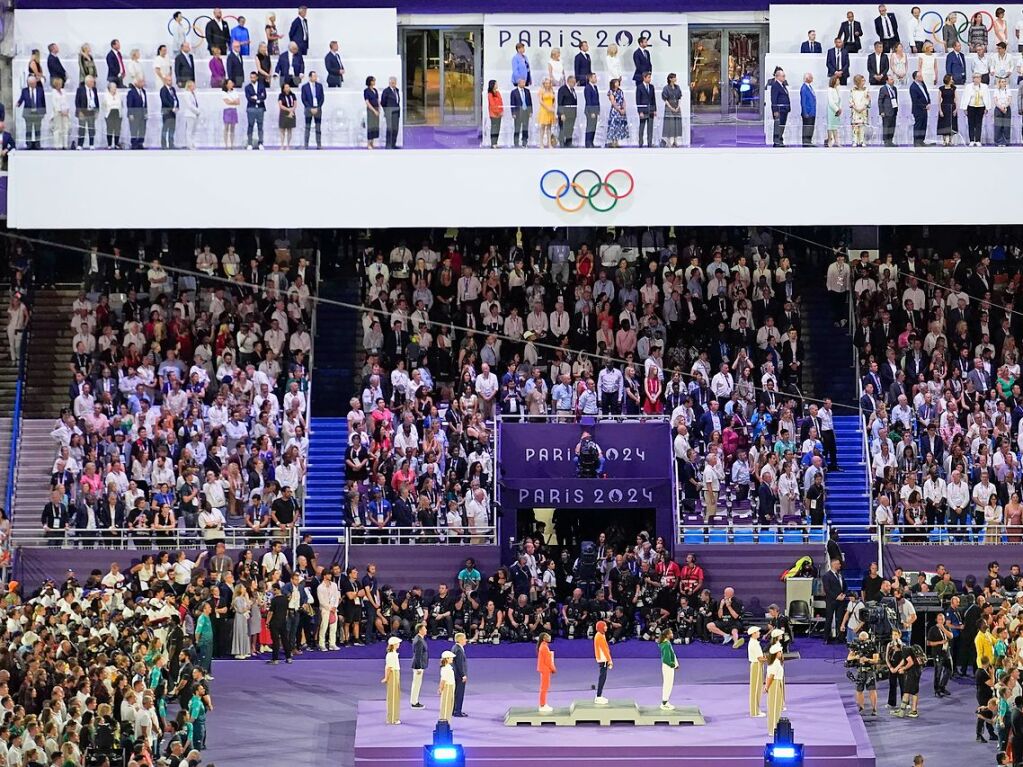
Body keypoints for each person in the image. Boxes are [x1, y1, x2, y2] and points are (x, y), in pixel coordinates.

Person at [847, 631, 879, 716]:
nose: (862, 642)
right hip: (860, 671)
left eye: (864, 640)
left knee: (872, 690)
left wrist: (867, 660)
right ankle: (861, 707)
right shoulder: (856, 646)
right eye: (861, 640)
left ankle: (874, 708)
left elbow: (876, 660)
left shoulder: (873, 646)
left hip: (870, 671)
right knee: (859, 690)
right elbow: (849, 658)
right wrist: (856, 657)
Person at [960, 71, 991, 145]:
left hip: (980, 106)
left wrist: (987, 108)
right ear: (972, 79)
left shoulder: (984, 86)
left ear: (981, 79)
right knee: (971, 123)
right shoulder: (968, 87)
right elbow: (965, 97)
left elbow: (987, 97)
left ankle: (978, 140)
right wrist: (965, 108)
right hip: (971, 106)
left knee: (978, 123)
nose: (977, 79)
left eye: (978, 77)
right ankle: (971, 140)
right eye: (975, 77)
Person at [18, 75, 45, 149]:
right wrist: (18, 103)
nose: (33, 85)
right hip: (28, 113)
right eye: (32, 83)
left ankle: (37, 144)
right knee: (28, 129)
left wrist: (44, 112)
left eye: (34, 83)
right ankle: (28, 144)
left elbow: (43, 101)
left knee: (37, 129)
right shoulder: (25, 90)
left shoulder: (40, 90)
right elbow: (21, 99)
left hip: (38, 113)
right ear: (28, 83)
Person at [822, 559, 846, 643]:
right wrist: (836, 597)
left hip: (841, 601)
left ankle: (840, 638)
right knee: (829, 619)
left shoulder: (840, 576)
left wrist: (844, 594)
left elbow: (844, 586)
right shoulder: (826, 576)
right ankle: (826, 638)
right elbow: (827, 589)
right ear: (834, 565)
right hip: (831, 601)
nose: (840, 565)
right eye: (838, 564)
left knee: (840, 619)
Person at [764, 642, 785, 734]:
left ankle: (775, 727)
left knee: (777, 707)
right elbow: (770, 676)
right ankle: (773, 729)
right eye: (780, 652)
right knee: (774, 708)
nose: (781, 653)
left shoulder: (775, 662)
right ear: (777, 653)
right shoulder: (775, 664)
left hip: (777, 683)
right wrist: (766, 687)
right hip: (775, 684)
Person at [74, 74, 99, 149]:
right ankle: (80, 145)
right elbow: (77, 101)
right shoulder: (80, 89)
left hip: (91, 112)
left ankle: (91, 144)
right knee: (82, 129)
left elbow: (96, 100)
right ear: (87, 82)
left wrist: (97, 110)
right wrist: (79, 111)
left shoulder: (94, 89)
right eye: (92, 82)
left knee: (91, 128)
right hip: (83, 112)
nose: (93, 83)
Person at [300, 70, 324, 149]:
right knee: (307, 127)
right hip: (308, 109)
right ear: (310, 77)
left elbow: (322, 98)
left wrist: (318, 107)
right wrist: (310, 108)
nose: (315, 78)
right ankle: (306, 145)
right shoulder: (304, 87)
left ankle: (319, 145)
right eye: (314, 76)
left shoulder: (319, 86)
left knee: (318, 127)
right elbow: (304, 99)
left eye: (316, 76)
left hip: (318, 109)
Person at [244, 71, 266, 149]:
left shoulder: (261, 86)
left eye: (254, 77)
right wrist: (257, 98)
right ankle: (250, 143)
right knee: (250, 125)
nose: (252, 79)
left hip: (260, 108)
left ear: (257, 77)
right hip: (251, 108)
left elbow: (264, 96)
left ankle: (260, 143)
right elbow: (248, 97)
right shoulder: (247, 87)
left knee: (260, 125)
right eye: (251, 77)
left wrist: (257, 98)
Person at [747, 626, 766, 717]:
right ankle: (754, 711)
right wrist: (770, 659)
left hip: (757, 665)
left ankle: (756, 709)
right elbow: (760, 658)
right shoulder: (754, 644)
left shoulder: (754, 642)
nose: (759, 633)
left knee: (757, 689)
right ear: (753, 633)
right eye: (758, 632)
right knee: (756, 689)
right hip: (757, 665)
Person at [383, 636, 402, 725]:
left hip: (395, 673)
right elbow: (389, 668)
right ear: (394, 645)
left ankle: (393, 717)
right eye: (397, 643)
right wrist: (386, 678)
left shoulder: (393, 653)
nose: (399, 645)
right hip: (393, 674)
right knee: (393, 697)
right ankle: (392, 718)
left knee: (395, 696)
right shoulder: (391, 655)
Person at [635, 70, 656, 147]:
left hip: (650, 110)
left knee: (650, 128)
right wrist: (640, 111)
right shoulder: (639, 87)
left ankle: (649, 143)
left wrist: (655, 110)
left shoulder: (651, 87)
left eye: (650, 77)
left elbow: (653, 99)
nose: (650, 79)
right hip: (643, 111)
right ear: (644, 78)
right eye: (648, 77)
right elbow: (638, 100)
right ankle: (640, 143)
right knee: (642, 127)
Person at [661, 72, 683, 147]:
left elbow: (679, 97)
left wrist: (678, 107)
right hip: (669, 107)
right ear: (670, 79)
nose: (675, 79)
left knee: (677, 123)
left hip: (676, 106)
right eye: (674, 77)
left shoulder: (677, 87)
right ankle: (668, 141)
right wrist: (671, 108)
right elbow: (665, 99)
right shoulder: (666, 88)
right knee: (669, 124)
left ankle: (675, 141)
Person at [658, 628, 678, 710]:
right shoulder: (666, 644)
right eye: (671, 633)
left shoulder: (666, 643)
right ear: (667, 635)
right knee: (668, 684)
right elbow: (666, 658)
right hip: (668, 666)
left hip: (668, 666)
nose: (672, 634)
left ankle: (665, 701)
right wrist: (672, 664)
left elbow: (672, 654)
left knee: (668, 683)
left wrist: (675, 664)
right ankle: (664, 703)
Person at [125, 77, 148, 149]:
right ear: (136, 83)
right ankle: (134, 144)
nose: (143, 83)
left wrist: (146, 112)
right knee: (134, 130)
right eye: (141, 82)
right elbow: (129, 104)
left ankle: (140, 143)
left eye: (143, 82)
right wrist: (130, 114)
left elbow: (145, 103)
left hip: (142, 114)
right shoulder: (131, 92)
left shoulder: (144, 91)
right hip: (134, 114)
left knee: (142, 130)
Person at [593, 619, 612, 703]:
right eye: (605, 626)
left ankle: (599, 695)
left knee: (603, 676)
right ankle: (598, 696)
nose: (606, 627)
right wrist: (609, 660)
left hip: (603, 658)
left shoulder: (600, 635)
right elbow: (605, 649)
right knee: (602, 677)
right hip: (603, 658)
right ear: (601, 627)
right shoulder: (600, 636)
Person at [910, 70, 930, 146]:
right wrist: (924, 106)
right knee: (918, 125)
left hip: (925, 109)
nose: (922, 77)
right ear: (916, 78)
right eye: (920, 76)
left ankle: (921, 140)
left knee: (924, 125)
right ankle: (916, 141)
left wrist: (929, 102)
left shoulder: (922, 84)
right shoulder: (913, 87)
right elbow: (915, 100)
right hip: (918, 110)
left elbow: (926, 93)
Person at [510, 78, 532, 147]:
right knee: (517, 128)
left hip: (526, 112)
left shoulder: (527, 91)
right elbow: (512, 103)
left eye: (524, 83)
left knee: (525, 128)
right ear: (519, 83)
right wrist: (513, 113)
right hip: (517, 113)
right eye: (522, 83)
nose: (524, 84)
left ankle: (524, 142)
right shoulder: (514, 92)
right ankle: (516, 143)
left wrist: (531, 111)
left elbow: (530, 102)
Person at [606, 78, 628, 147]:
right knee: (614, 126)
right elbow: (613, 102)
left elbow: (623, 100)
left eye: (618, 82)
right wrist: (619, 109)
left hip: (621, 110)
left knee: (619, 126)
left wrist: (624, 108)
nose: (618, 84)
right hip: (615, 111)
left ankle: (617, 141)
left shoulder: (620, 91)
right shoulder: (611, 92)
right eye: (616, 82)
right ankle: (613, 141)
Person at [537, 632, 556, 713]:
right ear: (544, 638)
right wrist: (553, 668)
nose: (549, 637)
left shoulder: (543, 646)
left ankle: (543, 703)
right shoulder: (544, 647)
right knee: (544, 687)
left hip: (544, 668)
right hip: (545, 669)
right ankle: (542, 705)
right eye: (548, 636)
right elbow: (548, 661)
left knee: (544, 687)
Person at [849, 74, 870, 147]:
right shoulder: (853, 90)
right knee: (855, 126)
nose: (864, 81)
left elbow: (868, 100)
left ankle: (862, 140)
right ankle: (855, 140)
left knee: (862, 126)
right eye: (862, 80)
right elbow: (851, 100)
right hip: (855, 111)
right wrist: (855, 108)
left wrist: (863, 107)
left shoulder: (866, 90)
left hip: (863, 111)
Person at [878, 72, 898, 146]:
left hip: (894, 110)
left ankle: (890, 140)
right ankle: (886, 141)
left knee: (892, 126)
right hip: (886, 111)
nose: (893, 81)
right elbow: (880, 101)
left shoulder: (894, 88)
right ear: (887, 81)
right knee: (886, 126)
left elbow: (895, 99)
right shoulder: (883, 89)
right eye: (891, 79)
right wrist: (881, 111)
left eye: (893, 79)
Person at [411, 623, 428, 708]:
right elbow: (418, 655)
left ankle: (415, 700)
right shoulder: (419, 641)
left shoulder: (419, 639)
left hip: (420, 665)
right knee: (416, 684)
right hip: (418, 666)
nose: (426, 630)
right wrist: (419, 667)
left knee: (417, 684)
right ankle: (414, 702)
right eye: (424, 629)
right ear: (420, 630)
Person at [557, 75, 577, 147]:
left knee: (570, 128)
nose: (574, 84)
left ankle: (569, 142)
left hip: (572, 112)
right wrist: (561, 113)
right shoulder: (562, 89)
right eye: (573, 83)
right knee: (563, 128)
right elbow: (560, 102)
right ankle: (562, 142)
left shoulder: (573, 90)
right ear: (569, 82)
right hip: (564, 112)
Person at [159, 75, 178, 149]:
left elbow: (175, 98)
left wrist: (177, 106)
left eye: (171, 80)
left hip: (173, 112)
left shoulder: (173, 89)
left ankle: (171, 144)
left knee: (172, 128)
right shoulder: (163, 90)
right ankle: (163, 145)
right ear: (165, 81)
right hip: (166, 111)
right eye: (169, 80)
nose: (170, 82)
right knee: (165, 128)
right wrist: (172, 107)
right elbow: (164, 100)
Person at [451, 632, 468, 717]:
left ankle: (454, 709)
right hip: (459, 675)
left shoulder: (455, 647)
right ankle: (457, 711)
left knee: (456, 693)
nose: (466, 640)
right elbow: (460, 664)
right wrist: (463, 675)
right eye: (465, 638)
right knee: (459, 693)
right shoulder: (459, 650)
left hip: (455, 674)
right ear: (460, 640)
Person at [381, 76, 401, 149]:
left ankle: (393, 144)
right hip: (389, 112)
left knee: (395, 129)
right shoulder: (386, 91)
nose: (393, 84)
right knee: (390, 129)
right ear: (389, 83)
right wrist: (386, 111)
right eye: (392, 83)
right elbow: (383, 102)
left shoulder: (397, 90)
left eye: (394, 83)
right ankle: (388, 145)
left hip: (396, 112)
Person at [937, 73, 957, 145]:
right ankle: (945, 140)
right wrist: (940, 110)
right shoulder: (941, 88)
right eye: (951, 79)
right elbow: (939, 100)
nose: (952, 80)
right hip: (944, 107)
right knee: (944, 124)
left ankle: (951, 140)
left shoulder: (953, 88)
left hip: (952, 107)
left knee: (952, 123)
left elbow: (956, 99)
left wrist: (956, 109)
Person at [102, 81, 122, 148]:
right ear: (109, 88)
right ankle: (109, 144)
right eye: (113, 87)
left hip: (117, 113)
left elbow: (120, 104)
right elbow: (104, 105)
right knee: (109, 129)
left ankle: (116, 144)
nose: (115, 89)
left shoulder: (118, 95)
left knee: (117, 129)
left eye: (115, 87)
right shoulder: (106, 95)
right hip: (109, 114)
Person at [537, 77, 556, 148]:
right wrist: (547, 108)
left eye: (549, 83)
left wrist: (553, 108)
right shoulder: (541, 91)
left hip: (550, 110)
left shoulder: (552, 90)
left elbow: (554, 100)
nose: (547, 84)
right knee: (542, 127)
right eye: (546, 83)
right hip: (544, 110)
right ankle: (541, 143)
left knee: (549, 127)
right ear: (544, 84)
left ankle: (549, 143)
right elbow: (540, 101)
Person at [992, 77, 1012, 146]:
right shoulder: (996, 91)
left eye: (1004, 82)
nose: (1003, 83)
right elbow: (995, 101)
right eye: (1002, 82)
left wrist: (1005, 107)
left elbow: (1009, 100)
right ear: (999, 83)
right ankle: (998, 142)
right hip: (998, 109)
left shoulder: (1008, 90)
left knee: (1006, 126)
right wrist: (1001, 107)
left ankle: (1006, 142)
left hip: (1007, 109)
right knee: (998, 126)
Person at [438, 650, 456, 722]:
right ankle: (444, 720)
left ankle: (447, 720)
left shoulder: (448, 667)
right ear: (447, 659)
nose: (452, 659)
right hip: (447, 688)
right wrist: (440, 689)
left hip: (450, 687)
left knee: (449, 704)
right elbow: (443, 680)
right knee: (446, 705)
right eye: (451, 658)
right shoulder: (446, 668)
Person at [583, 72, 601, 147]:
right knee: (590, 126)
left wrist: (598, 110)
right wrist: (592, 112)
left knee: (594, 126)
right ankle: (588, 142)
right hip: (590, 111)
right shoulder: (587, 88)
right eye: (594, 77)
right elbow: (588, 100)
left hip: (595, 110)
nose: (596, 79)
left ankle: (591, 141)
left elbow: (597, 99)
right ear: (590, 78)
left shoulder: (595, 87)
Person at [278, 81, 297, 149]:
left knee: (289, 130)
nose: (287, 88)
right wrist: (288, 109)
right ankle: (282, 145)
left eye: (288, 87)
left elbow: (295, 104)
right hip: (283, 113)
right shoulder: (281, 95)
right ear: (283, 88)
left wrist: (292, 109)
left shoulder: (293, 95)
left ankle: (288, 145)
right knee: (282, 129)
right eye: (286, 87)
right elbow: (280, 105)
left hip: (291, 112)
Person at [799, 72, 816, 146]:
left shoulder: (810, 87)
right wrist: (805, 112)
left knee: (811, 127)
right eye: (811, 77)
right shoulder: (804, 88)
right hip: (807, 112)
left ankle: (809, 141)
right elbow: (803, 102)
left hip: (812, 112)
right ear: (807, 78)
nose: (812, 78)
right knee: (807, 127)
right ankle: (806, 142)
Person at [364, 76, 380, 149]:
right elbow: (367, 102)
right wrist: (374, 110)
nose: (374, 82)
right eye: (373, 81)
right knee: (370, 126)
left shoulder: (375, 90)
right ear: (369, 82)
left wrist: (378, 109)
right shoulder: (366, 91)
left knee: (375, 126)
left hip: (376, 109)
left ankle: (372, 143)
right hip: (371, 110)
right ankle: (368, 144)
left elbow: (377, 100)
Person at [826, 74, 842, 147]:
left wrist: (840, 108)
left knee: (835, 126)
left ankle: (836, 141)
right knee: (830, 126)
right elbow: (831, 101)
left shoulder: (837, 89)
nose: (839, 81)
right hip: (832, 109)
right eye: (837, 79)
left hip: (837, 109)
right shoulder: (830, 89)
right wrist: (837, 109)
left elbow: (840, 100)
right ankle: (830, 140)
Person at [487, 80, 503, 147]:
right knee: (494, 128)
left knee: (498, 128)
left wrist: (501, 111)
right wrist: (497, 112)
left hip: (499, 114)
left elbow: (501, 102)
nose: (497, 85)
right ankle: (493, 143)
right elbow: (492, 104)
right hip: (493, 114)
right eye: (496, 84)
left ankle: (496, 143)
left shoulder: (498, 93)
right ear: (492, 85)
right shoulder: (490, 94)